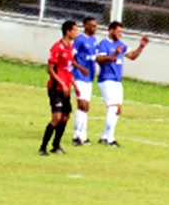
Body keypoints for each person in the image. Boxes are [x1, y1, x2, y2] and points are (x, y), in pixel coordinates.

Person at [94, 21, 149, 147]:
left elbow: (132, 56)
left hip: (117, 81)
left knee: (118, 110)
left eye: (121, 32)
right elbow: (100, 61)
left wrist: (141, 47)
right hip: (106, 79)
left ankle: (104, 136)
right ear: (111, 30)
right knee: (112, 107)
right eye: (118, 32)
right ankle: (110, 139)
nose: (120, 34)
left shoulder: (121, 45)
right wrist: (113, 55)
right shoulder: (104, 44)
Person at [40, 20, 82, 156]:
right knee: (56, 117)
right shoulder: (57, 48)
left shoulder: (71, 48)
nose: (76, 33)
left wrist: (74, 85)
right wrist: (62, 83)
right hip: (55, 88)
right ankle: (43, 147)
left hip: (66, 89)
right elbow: (50, 69)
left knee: (65, 117)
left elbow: (67, 71)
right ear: (67, 32)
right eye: (74, 30)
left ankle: (56, 145)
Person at [70, 17, 99, 146]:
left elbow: (94, 57)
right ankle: (76, 135)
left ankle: (83, 135)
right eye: (92, 26)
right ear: (86, 26)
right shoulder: (79, 40)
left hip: (89, 78)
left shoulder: (93, 40)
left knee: (86, 107)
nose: (95, 28)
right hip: (79, 76)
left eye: (96, 26)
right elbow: (71, 57)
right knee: (81, 104)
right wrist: (80, 67)